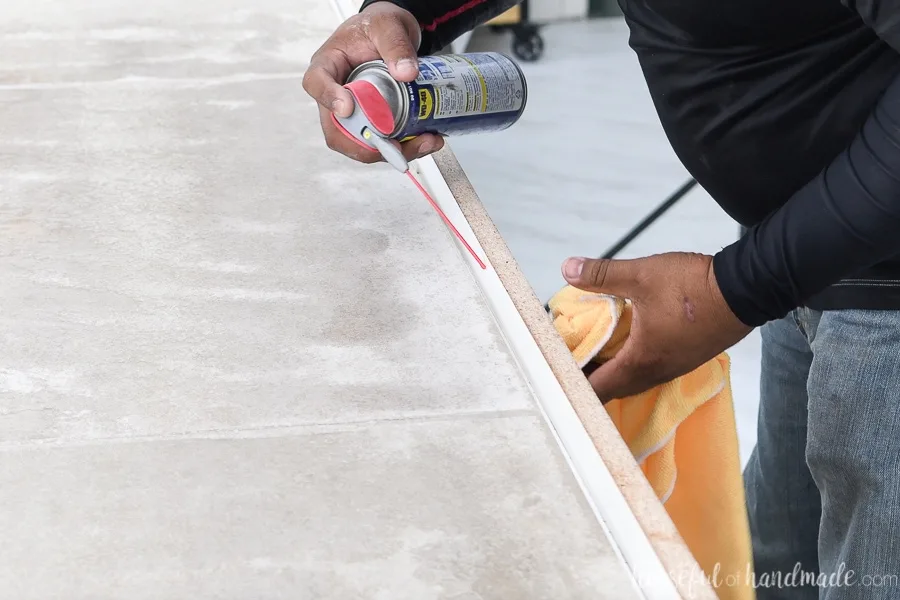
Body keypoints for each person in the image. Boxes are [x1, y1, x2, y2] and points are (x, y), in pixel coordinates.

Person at [303, 1, 900, 598]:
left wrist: (742, 287)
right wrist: (410, 14)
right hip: (807, 246)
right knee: (779, 551)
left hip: (873, 282)